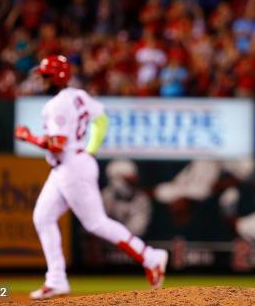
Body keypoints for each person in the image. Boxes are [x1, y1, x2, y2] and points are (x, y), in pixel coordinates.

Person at [14, 55, 168, 299]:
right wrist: (91, 149)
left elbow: (56, 145)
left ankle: (150, 256)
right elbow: (102, 118)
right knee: (43, 217)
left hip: (71, 166)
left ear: (57, 76)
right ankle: (56, 280)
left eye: (45, 76)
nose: (42, 80)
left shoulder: (56, 106)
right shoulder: (78, 95)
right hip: (72, 163)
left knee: (95, 223)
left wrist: (28, 137)